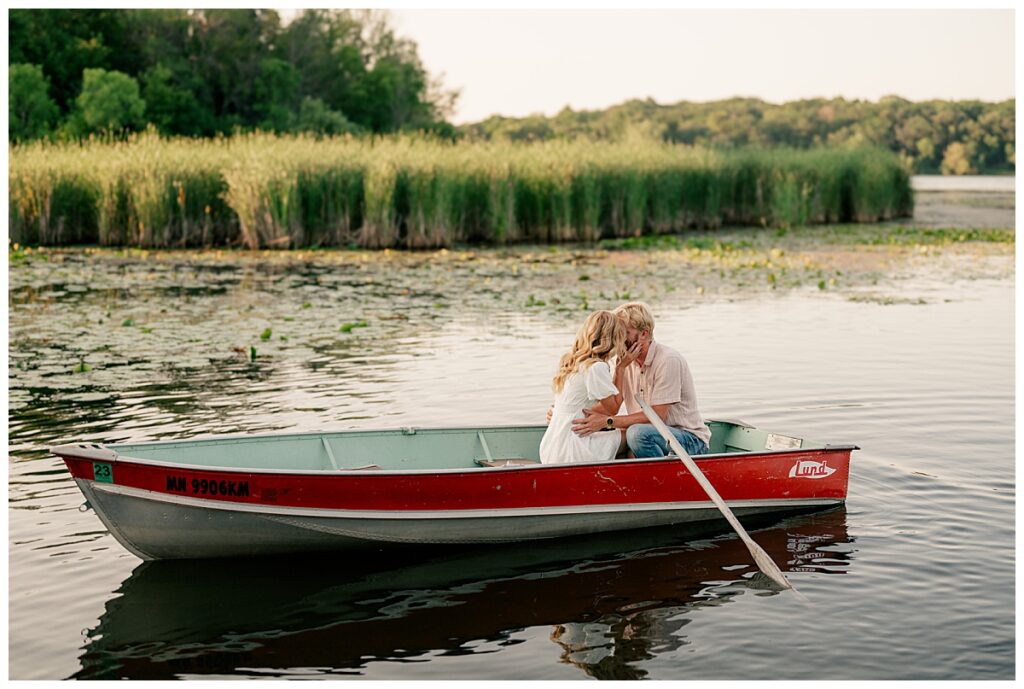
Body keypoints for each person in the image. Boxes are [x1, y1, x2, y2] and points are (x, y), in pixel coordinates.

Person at [571, 302, 710, 458]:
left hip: (688, 439)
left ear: (644, 333)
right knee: (605, 430)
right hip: (651, 436)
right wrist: (570, 412)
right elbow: (609, 406)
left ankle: (661, 478)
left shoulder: (668, 360)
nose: (617, 338)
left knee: (636, 433)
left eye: (623, 332)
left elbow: (657, 418)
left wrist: (607, 422)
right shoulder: (625, 362)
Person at [539, 310, 627, 464]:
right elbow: (612, 409)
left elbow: (581, 408)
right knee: (629, 434)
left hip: (551, 446)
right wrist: (621, 368)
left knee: (609, 430)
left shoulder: (570, 360)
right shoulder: (595, 368)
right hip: (572, 449)